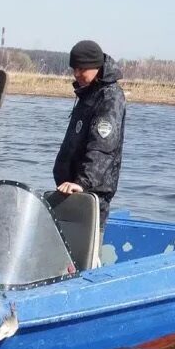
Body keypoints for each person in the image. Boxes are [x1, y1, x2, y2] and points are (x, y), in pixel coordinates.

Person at [53, 40, 126, 236]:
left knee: (86, 255)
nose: (76, 74)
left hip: (91, 193)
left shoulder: (109, 97)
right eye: (74, 69)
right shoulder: (88, 94)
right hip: (70, 191)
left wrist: (83, 182)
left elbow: (103, 147)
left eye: (81, 69)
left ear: (96, 66)